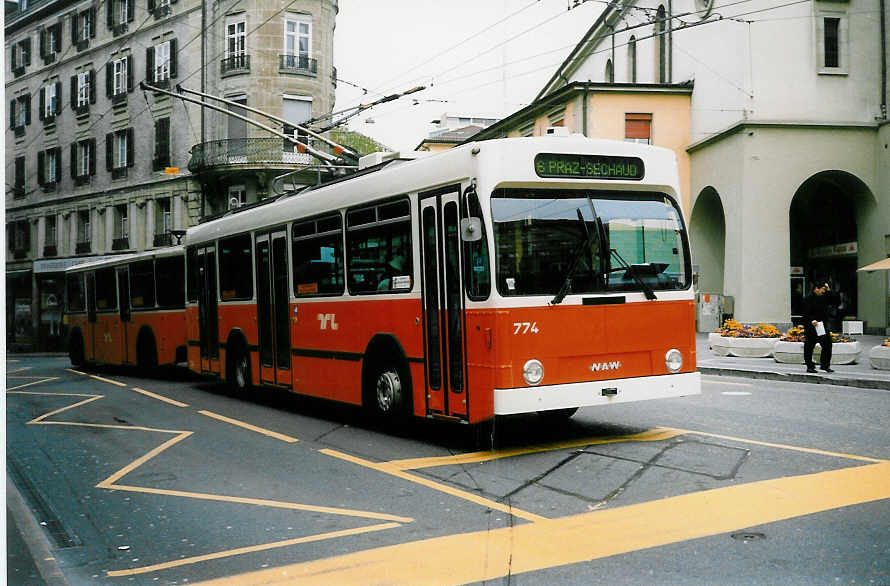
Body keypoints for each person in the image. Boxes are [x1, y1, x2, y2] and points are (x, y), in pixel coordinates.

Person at [802, 282, 837, 373]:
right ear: (816, 288)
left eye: (825, 290)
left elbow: (834, 301)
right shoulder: (808, 298)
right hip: (811, 326)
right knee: (809, 346)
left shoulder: (824, 297)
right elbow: (805, 312)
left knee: (827, 345)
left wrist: (829, 290)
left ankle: (825, 365)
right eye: (823, 289)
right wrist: (812, 320)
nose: (824, 291)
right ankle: (810, 366)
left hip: (822, 325)